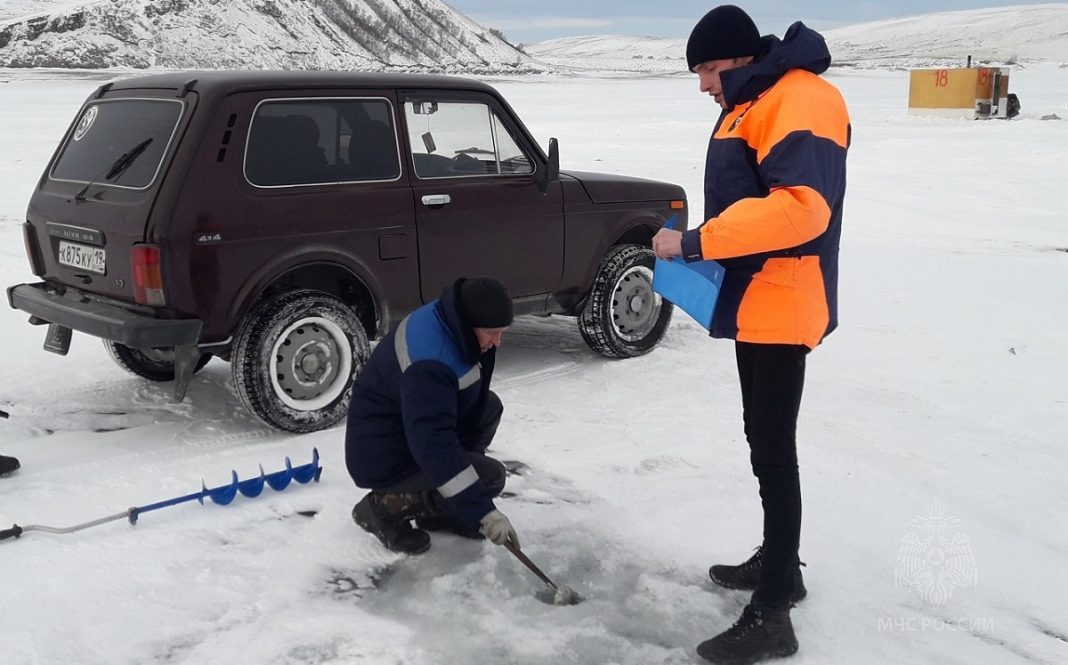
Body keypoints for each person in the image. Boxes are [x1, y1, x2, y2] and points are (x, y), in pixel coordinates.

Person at [652, 5, 850, 664]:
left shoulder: (802, 99)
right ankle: (781, 566)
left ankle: (772, 612)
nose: (703, 84)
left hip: (785, 302)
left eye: (707, 69)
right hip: (755, 300)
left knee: (773, 446)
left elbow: (802, 209)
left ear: (738, 56)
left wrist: (694, 242)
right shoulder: (754, 100)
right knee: (764, 442)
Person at [344, 277, 518, 554]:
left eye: (502, 332)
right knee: (489, 478)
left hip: (408, 427)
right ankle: (379, 509)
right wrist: (481, 510)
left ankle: (439, 511)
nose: (497, 342)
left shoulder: (455, 321)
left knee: (488, 408)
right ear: (470, 323)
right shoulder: (429, 362)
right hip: (383, 453)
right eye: (492, 332)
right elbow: (432, 442)